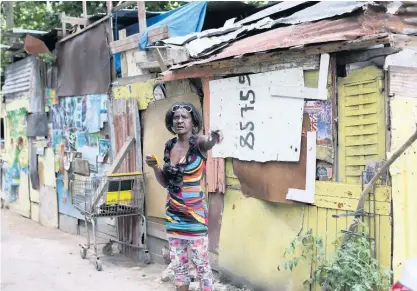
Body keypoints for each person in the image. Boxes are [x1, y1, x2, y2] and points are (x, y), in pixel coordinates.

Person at [145, 101, 223, 291]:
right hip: (173, 214)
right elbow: (166, 183)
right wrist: (155, 167)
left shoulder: (199, 143)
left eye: (184, 117)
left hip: (195, 216)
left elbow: (210, 142)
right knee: (179, 266)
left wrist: (214, 136)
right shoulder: (169, 145)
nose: (179, 120)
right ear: (171, 123)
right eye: (176, 117)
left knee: (201, 264)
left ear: (192, 121)